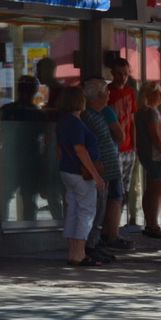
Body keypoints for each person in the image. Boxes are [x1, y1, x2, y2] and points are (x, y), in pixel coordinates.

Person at [55, 85, 106, 269]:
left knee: (73, 210)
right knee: (86, 211)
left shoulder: (62, 121)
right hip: (80, 173)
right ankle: (80, 253)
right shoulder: (76, 123)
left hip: (67, 170)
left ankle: (72, 251)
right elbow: (80, 149)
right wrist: (95, 175)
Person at [81, 77, 124, 260]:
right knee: (95, 208)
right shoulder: (88, 116)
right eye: (106, 91)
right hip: (97, 170)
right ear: (99, 94)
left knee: (101, 208)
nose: (109, 94)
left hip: (106, 169)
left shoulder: (100, 114)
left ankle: (96, 242)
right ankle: (90, 246)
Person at [0, 75, 46, 224]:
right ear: (35, 91)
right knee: (29, 198)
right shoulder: (38, 114)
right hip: (31, 159)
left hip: (9, 156)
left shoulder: (6, 110)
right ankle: (29, 227)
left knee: (4, 196)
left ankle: (2, 226)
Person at [135, 80, 161, 239]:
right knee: (158, 191)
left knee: (152, 190)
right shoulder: (150, 112)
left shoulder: (150, 111)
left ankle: (150, 223)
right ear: (150, 95)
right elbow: (155, 136)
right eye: (158, 92)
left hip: (154, 156)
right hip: (155, 156)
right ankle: (153, 224)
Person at [106, 53, 138, 220]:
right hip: (114, 148)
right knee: (115, 188)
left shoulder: (130, 91)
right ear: (112, 73)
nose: (122, 77)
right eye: (119, 73)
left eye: (125, 73)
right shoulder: (107, 92)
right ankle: (111, 224)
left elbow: (132, 119)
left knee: (126, 188)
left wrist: (134, 144)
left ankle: (121, 220)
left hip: (128, 147)